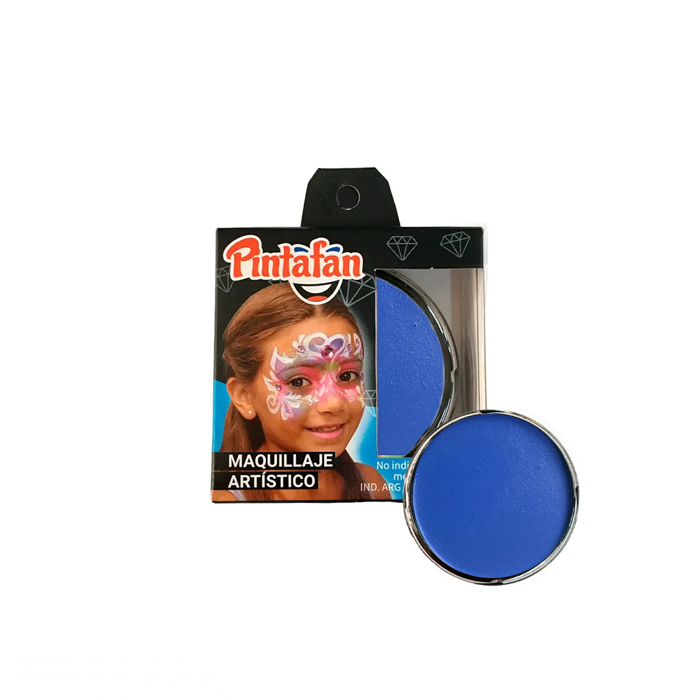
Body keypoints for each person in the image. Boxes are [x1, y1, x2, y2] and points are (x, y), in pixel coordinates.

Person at [212, 283, 390, 501]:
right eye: (298, 381)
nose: (333, 403)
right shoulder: (226, 498)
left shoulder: (371, 484)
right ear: (244, 396)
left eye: (347, 376)